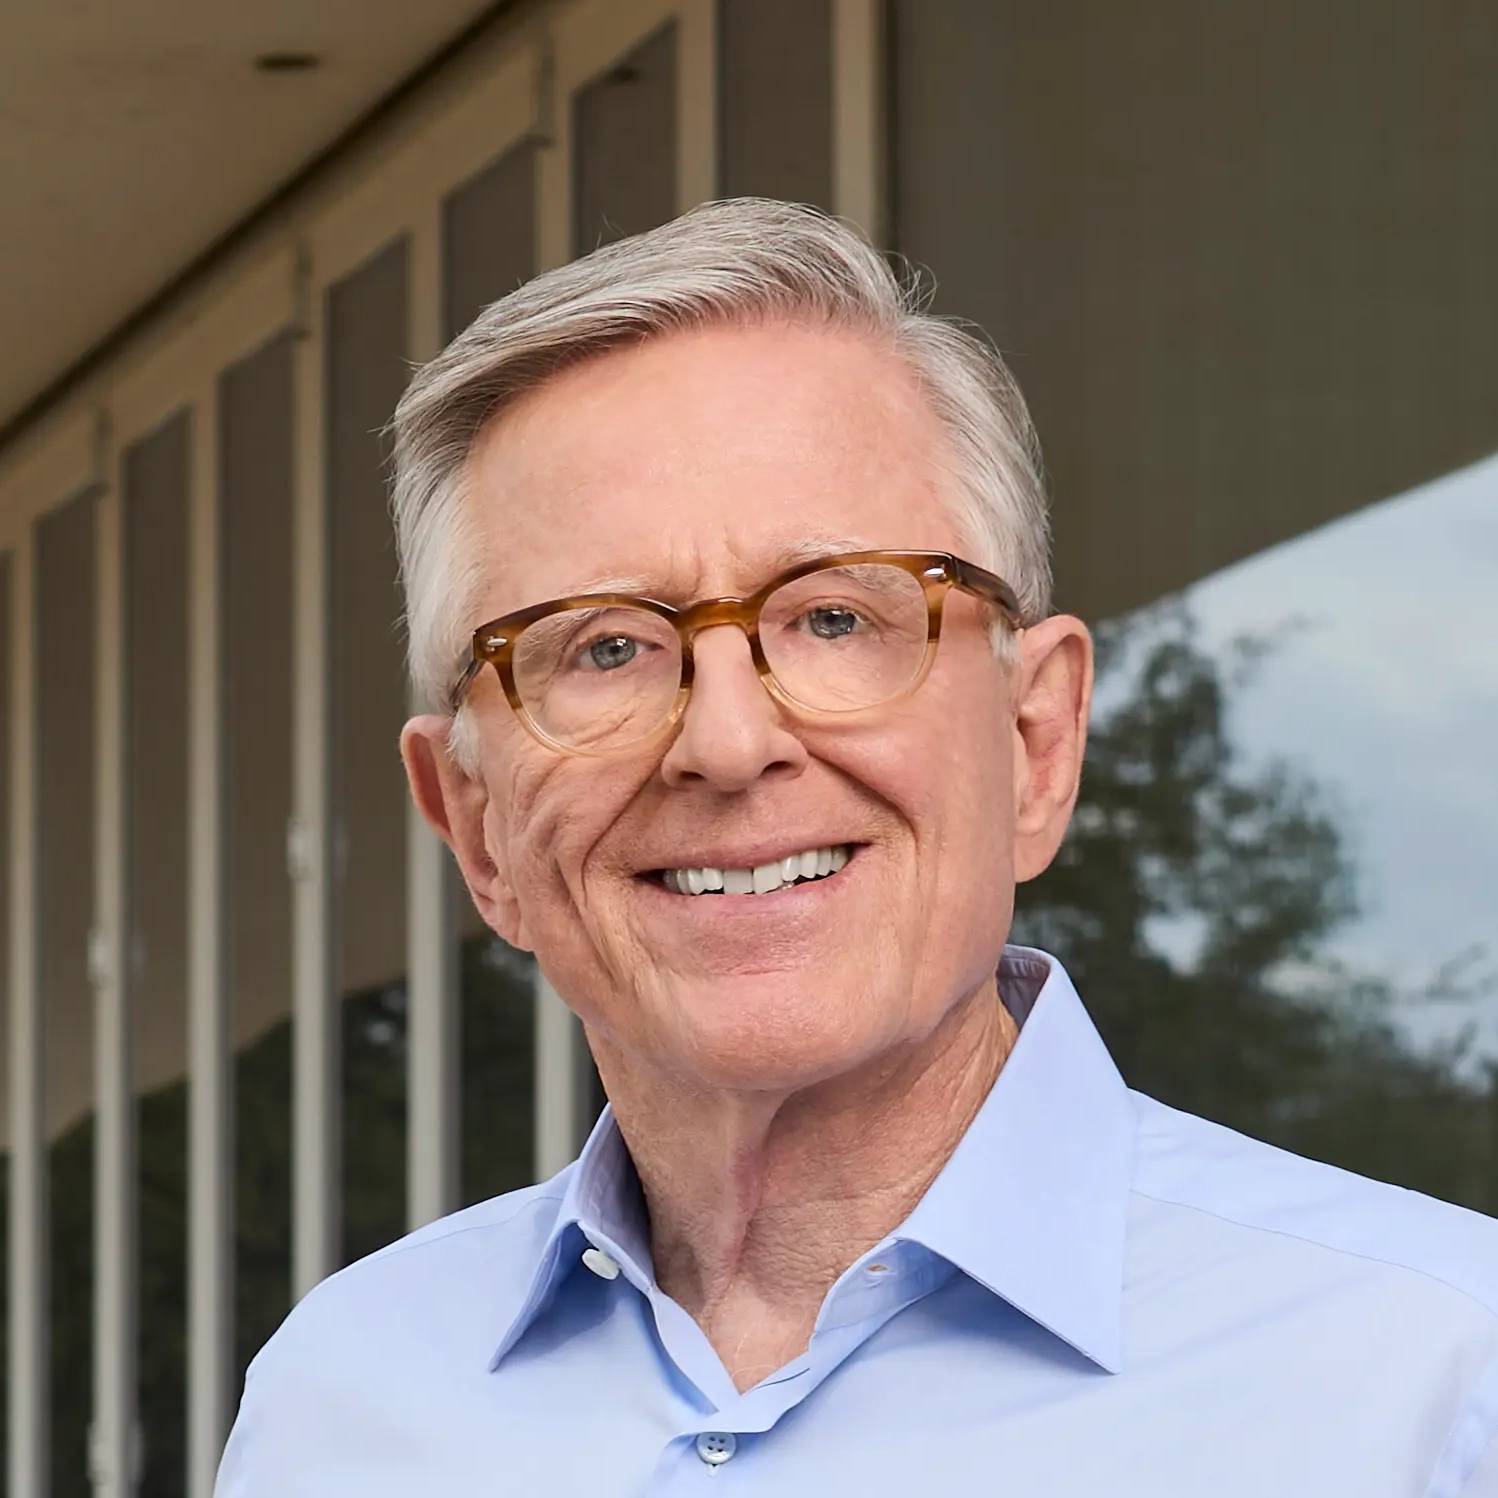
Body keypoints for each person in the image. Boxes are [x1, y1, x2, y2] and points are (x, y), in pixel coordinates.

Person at [216, 199, 1498, 1496]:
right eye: (603, 647)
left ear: (1036, 739)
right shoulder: (337, 1405)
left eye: (834, 618)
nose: (726, 741)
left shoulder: (1435, 1382)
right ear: (475, 823)